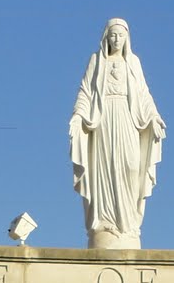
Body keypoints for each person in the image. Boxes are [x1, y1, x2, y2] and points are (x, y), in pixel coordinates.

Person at [69, 18, 166, 249]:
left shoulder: (133, 62)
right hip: (103, 121)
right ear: (106, 37)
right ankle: (105, 223)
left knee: (131, 166)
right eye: (112, 35)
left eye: (120, 35)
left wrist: (153, 116)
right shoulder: (96, 61)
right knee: (104, 169)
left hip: (127, 117)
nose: (116, 39)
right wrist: (78, 116)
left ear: (127, 38)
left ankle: (129, 224)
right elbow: (86, 91)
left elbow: (143, 93)